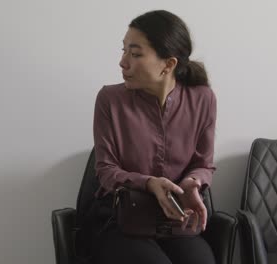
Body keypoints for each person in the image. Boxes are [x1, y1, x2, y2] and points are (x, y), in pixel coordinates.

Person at [90, 10, 217, 264]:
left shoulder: (203, 98)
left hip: (177, 222)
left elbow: (204, 163)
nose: (123, 62)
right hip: (121, 221)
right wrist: (149, 183)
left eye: (135, 54)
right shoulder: (109, 100)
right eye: (124, 50)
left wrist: (192, 182)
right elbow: (105, 169)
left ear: (168, 64)